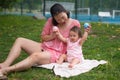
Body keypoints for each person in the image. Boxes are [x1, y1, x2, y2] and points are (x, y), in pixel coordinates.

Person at [0, 3, 81, 78]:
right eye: (58, 20)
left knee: (35, 56)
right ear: (54, 18)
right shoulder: (50, 21)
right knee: (20, 40)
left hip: (58, 53)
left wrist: (62, 38)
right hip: (45, 47)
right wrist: (52, 36)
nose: (62, 20)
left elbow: (76, 41)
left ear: (65, 11)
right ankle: (5, 64)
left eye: (63, 17)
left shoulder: (75, 23)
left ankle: (7, 70)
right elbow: (43, 37)